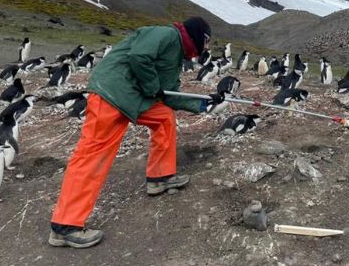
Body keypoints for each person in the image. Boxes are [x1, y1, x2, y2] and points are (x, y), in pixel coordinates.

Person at [48, 16, 222, 249]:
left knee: (164, 117)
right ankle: (65, 226)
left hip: (133, 97)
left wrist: (204, 104)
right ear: (198, 36)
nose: (207, 48)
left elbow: (169, 94)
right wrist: (152, 87)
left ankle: (160, 178)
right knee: (93, 154)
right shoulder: (167, 34)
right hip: (112, 91)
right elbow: (139, 57)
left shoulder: (177, 54)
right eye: (207, 41)